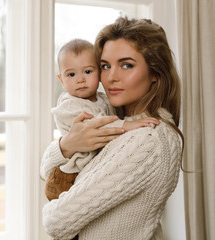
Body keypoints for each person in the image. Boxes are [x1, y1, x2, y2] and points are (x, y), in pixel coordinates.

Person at [40, 17, 183, 240]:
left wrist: (53, 205)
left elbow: (55, 222)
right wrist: (66, 145)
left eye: (127, 65)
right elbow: (46, 169)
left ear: (155, 73)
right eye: (105, 66)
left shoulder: (146, 138)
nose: (111, 77)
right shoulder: (111, 118)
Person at [46, 38, 159, 202]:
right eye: (71, 74)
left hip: (93, 168)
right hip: (72, 172)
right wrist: (127, 125)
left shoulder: (103, 98)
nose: (80, 79)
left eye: (87, 72)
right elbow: (97, 126)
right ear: (61, 80)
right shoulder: (69, 105)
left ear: (99, 73)